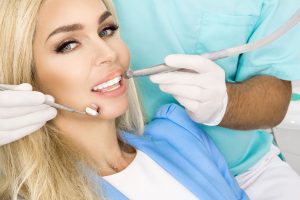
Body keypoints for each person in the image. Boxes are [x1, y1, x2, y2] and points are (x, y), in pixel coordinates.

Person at [1, 0, 300, 199]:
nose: (109, 54)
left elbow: (275, 96)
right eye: (68, 45)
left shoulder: (180, 135)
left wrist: (225, 102)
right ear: (21, 74)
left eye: (108, 30)